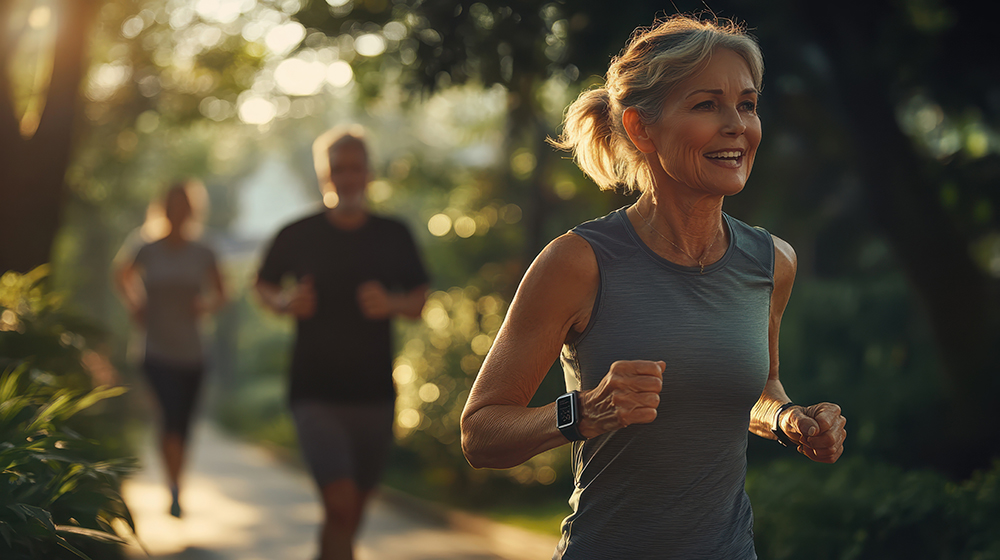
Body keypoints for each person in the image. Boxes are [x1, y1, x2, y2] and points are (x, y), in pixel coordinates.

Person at [460, 15, 848, 559]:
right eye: (706, 104)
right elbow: (480, 433)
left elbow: (760, 389)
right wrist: (583, 411)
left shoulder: (771, 262)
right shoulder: (578, 263)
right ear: (642, 129)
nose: (737, 124)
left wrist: (789, 420)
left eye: (748, 104)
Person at [254, 126, 429, 560]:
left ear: (368, 173)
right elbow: (262, 284)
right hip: (314, 392)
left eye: (354, 168)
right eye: (337, 169)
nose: (347, 177)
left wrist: (391, 302)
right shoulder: (298, 233)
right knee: (340, 503)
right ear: (323, 175)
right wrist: (284, 302)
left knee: (350, 515)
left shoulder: (393, 234)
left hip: (374, 394)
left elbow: (419, 299)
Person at [114, 180, 226, 518]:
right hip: (155, 349)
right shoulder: (145, 246)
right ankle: (173, 487)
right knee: (168, 418)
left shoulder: (204, 250)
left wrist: (205, 307)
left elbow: (221, 292)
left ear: (192, 210)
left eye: (184, 206)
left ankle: (178, 481)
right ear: (163, 209)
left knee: (183, 424)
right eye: (172, 206)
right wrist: (136, 305)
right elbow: (122, 275)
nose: (178, 212)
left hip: (192, 352)